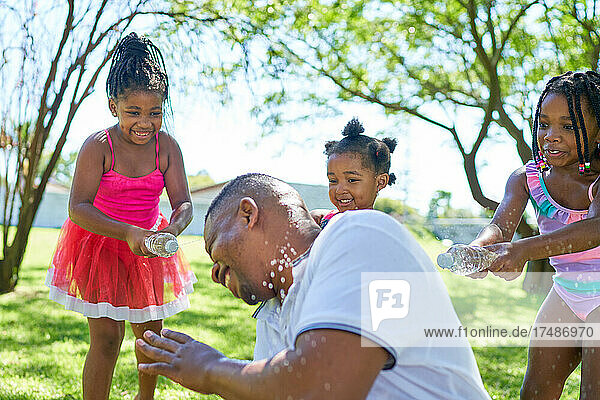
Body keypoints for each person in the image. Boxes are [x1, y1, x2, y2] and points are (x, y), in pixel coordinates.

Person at [135, 173, 491, 399]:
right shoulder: (272, 314)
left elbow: (321, 387)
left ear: (248, 214)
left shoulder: (360, 234)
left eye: (216, 248)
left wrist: (212, 368)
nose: (215, 273)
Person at [45, 32, 196, 400]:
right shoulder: (99, 146)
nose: (144, 122)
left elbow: (184, 203)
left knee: (150, 338)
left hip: (148, 251)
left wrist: (172, 229)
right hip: (103, 248)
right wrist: (128, 233)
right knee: (107, 340)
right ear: (114, 106)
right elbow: (77, 207)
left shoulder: (167, 147)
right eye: (134, 112)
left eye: (154, 113)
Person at [470, 71, 600, 399]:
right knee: (535, 391)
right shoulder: (527, 178)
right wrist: (481, 249)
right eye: (544, 124)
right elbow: (500, 227)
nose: (551, 136)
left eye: (568, 126)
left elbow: (594, 229)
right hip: (566, 294)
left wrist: (522, 251)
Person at [311, 117, 397, 228]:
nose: (339, 190)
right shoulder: (323, 220)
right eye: (333, 180)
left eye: (352, 180)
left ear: (380, 182)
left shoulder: (379, 229)